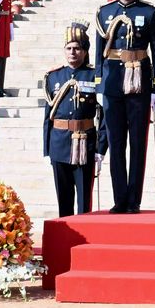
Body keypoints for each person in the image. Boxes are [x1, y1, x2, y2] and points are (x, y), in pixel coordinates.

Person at [94, 0, 155, 214]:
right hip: (113, 82)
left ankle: (134, 200)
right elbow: (99, 53)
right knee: (116, 141)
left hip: (140, 83)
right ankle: (119, 199)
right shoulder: (104, 13)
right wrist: (99, 85)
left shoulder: (149, 12)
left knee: (137, 142)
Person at [42, 22, 102, 217]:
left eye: (77, 48)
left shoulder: (94, 75)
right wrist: (47, 148)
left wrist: (100, 148)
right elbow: (47, 116)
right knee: (63, 198)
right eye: (68, 48)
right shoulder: (53, 77)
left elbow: (104, 115)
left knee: (84, 201)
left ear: (85, 51)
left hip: (85, 142)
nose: (72, 52)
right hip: (59, 143)